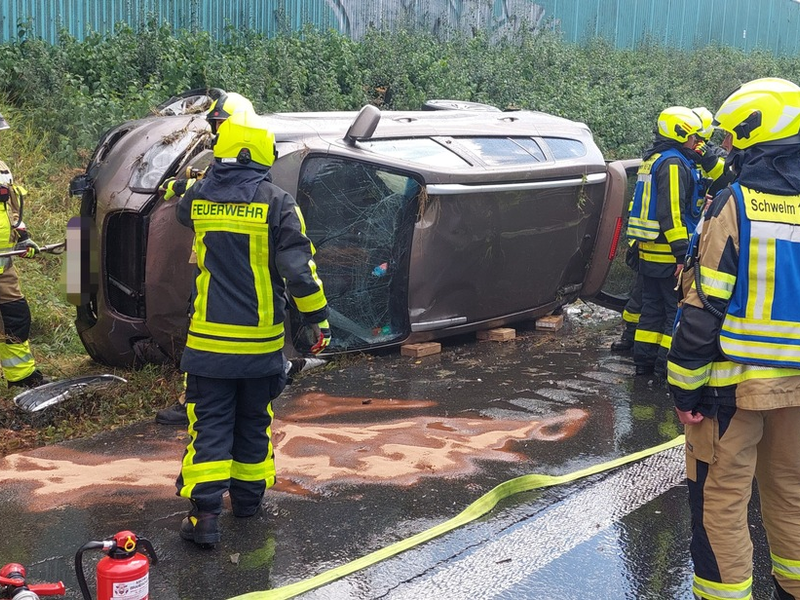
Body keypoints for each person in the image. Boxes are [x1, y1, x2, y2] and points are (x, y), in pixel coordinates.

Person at [667, 77, 800, 600]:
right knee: (791, 493)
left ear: (754, 135)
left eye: (731, 138)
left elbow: (702, 310)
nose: (725, 148)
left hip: (731, 388)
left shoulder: (736, 204)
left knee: (720, 498)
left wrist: (685, 389)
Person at [174, 109, 330, 548]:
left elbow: (186, 203)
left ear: (220, 154)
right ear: (265, 155)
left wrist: (194, 181)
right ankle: (247, 503)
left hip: (207, 345)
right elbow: (299, 271)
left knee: (209, 426)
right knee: (253, 423)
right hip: (260, 346)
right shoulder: (279, 203)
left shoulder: (198, 199)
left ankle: (204, 518)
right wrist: (317, 319)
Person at [156, 91, 256, 426]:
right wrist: (179, 187)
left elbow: (191, 210)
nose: (215, 131)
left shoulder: (230, 171)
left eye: (220, 124)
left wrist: (186, 191)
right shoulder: (241, 164)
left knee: (204, 333)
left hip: (225, 270)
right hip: (223, 267)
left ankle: (194, 402)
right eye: (214, 124)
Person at [628, 106, 704, 378]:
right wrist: (683, 255)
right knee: (673, 311)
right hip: (667, 254)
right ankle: (664, 368)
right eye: (693, 137)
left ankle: (643, 364)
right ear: (680, 134)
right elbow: (670, 213)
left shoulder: (654, 158)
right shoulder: (673, 163)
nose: (697, 143)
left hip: (649, 251)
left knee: (651, 309)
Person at [0, 111, 48, 389]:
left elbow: (13, 212)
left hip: (4, 268)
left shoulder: (2, 168)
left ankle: (22, 377)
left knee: (16, 317)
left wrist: (23, 238)